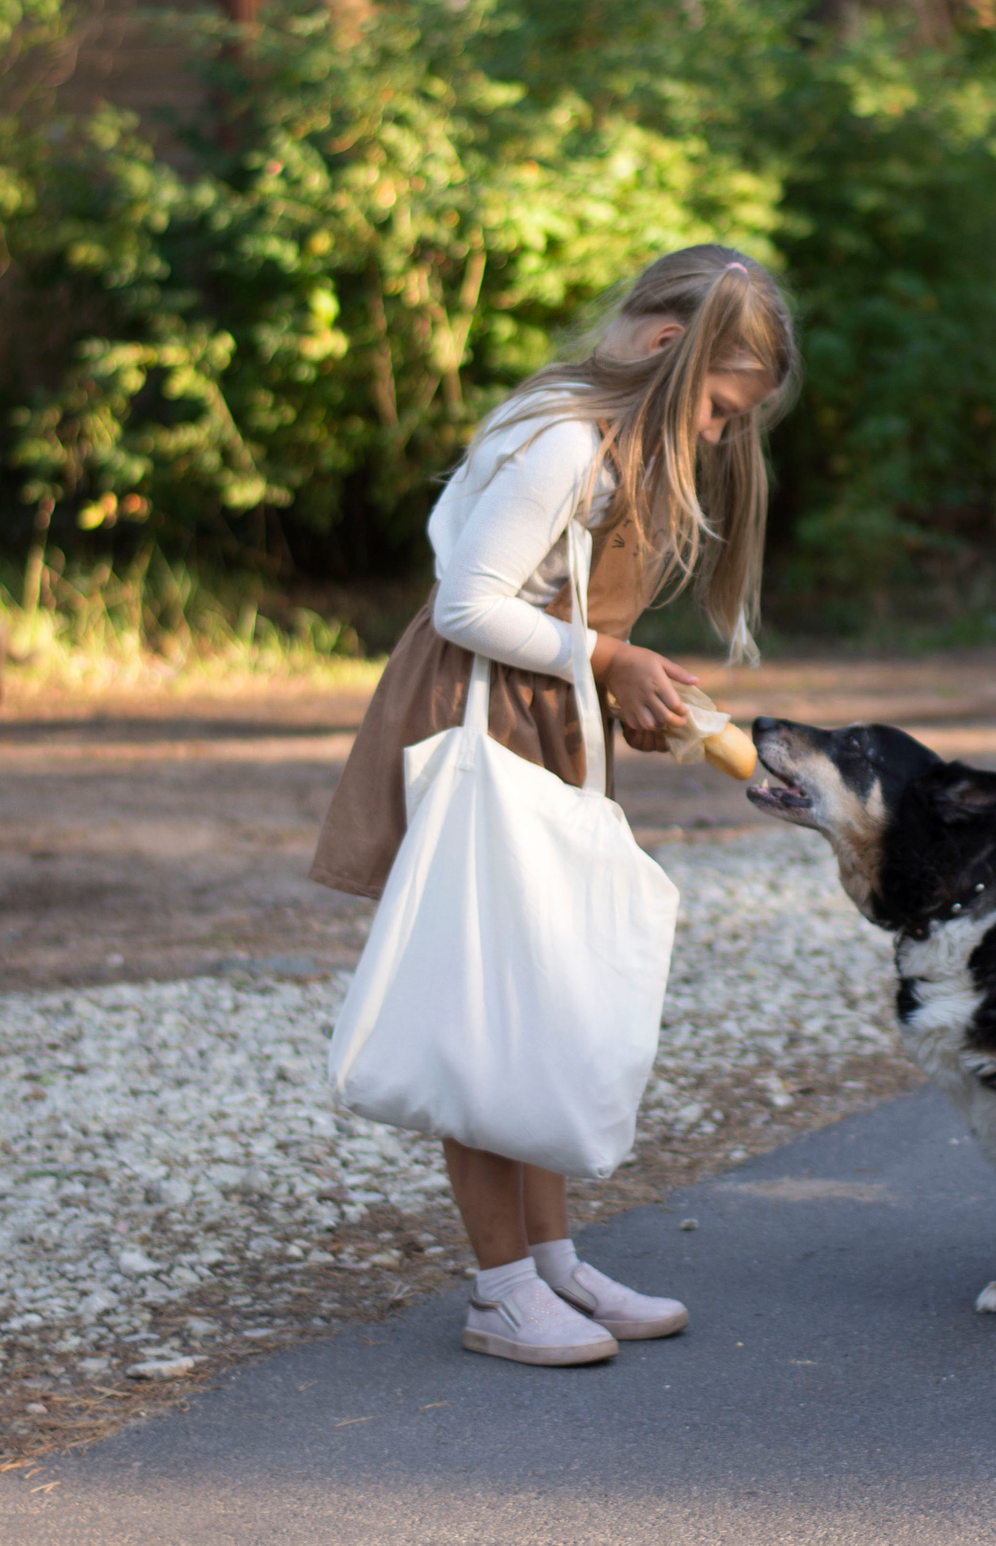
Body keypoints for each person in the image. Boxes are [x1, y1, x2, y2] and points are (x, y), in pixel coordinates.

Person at [309, 244, 797, 1366]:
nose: (720, 437)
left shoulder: (603, 441)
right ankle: (498, 1291)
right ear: (667, 349)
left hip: (537, 717)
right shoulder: (562, 441)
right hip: (477, 724)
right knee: (485, 1013)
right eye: (721, 411)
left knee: (537, 1000)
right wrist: (607, 656)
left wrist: (608, 676)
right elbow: (466, 607)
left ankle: (551, 1263)